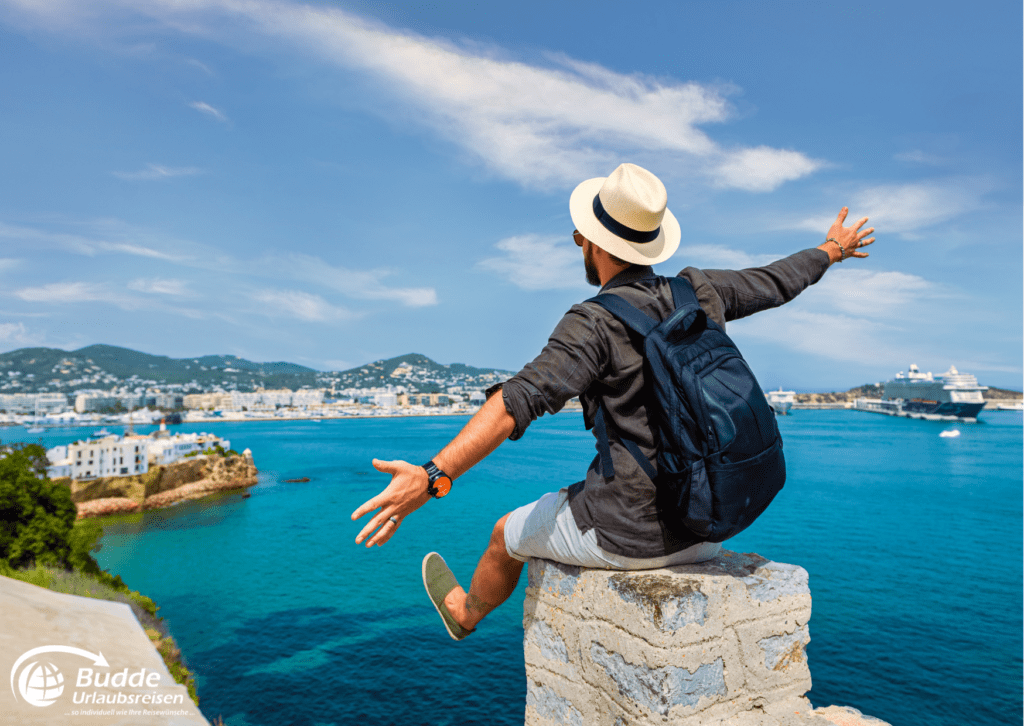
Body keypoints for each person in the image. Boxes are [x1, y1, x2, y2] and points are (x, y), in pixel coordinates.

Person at [351, 163, 875, 640]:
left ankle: (465, 614)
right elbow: (776, 281)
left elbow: (517, 401)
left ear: (591, 243)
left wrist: (432, 475)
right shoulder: (699, 291)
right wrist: (830, 249)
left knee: (503, 536)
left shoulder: (593, 322)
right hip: (714, 522)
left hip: (633, 536)